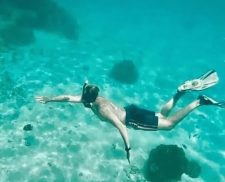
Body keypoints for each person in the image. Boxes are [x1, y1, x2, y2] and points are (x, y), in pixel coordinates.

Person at [35, 70, 224, 163]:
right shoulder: (92, 96)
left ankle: (198, 102)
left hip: (132, 119)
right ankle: (179, 92)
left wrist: (128, 148)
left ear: (87, 98)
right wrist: (49, 99)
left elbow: (121, 127)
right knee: (161, 114)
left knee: (169, 124)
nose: (79, 99)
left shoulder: (103, 110)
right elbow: (67, 97)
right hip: (131, 110)